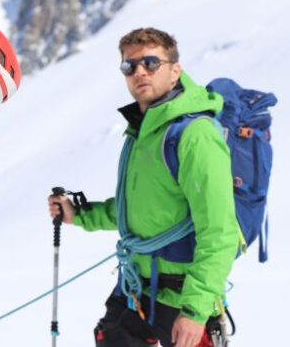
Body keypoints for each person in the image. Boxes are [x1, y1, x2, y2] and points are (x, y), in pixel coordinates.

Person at [48, 28, 239, 347]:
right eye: (130, 66)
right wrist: (79, 214)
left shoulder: (196, 136)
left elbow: (219, 231)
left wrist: (195, 311)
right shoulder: (142, 131)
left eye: (151, 63)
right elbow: (138, 210)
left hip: (183, 295)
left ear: (175, 70)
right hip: (137, 286)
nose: (139, 72)